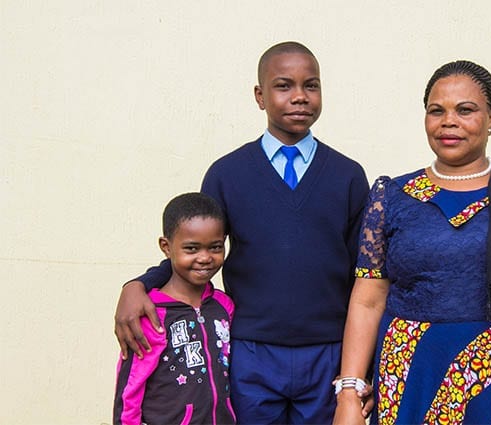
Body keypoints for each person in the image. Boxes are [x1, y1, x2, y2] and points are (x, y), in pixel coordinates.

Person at [114, 41, 371, 424]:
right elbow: (195, 252)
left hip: (327, 353)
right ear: (260, 96)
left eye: (311, 86)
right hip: (250, 352)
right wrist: (138, 284)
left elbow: (366, 278)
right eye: (284, 86)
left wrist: (362, 369)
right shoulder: (227, 174)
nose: (299, 97)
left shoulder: (348, 176)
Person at [333, 60, 491, 425]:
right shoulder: (392, 195)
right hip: (412, 376)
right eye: (437, 111)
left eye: (465, 110)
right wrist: (349, 394)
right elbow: (368, 300)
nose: (448, 121)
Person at [113, 192, 235, 425]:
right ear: (166, 247)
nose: (205, 258)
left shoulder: (224, 306)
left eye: (215, 247)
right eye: (191, 249)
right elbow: (130, 388)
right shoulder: (150, 314)